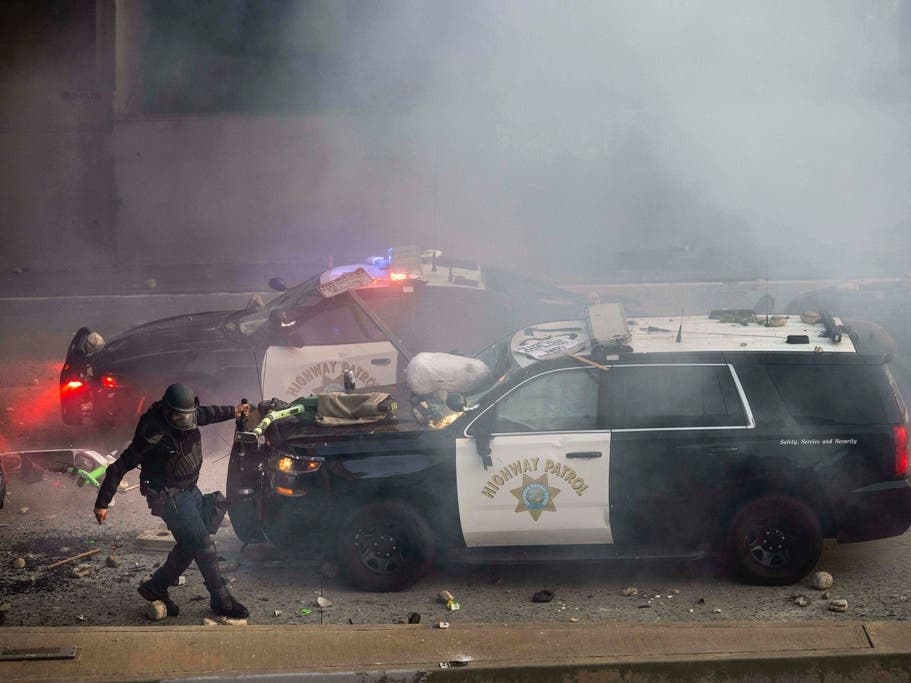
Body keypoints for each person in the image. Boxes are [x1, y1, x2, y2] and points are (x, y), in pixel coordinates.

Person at [93, 383, 251, 619]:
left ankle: (156, 586)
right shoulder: (153, 431)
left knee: (190, 543)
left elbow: (207, 414)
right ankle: (221, 599)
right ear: (168, 411)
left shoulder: (189, 414)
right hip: (168, 497)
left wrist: (235, 410)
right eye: (179, 416)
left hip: (188, 490)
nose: (185, 421)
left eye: (188, 415)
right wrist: (102, 503)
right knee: (203, 544)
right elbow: (119, 466)